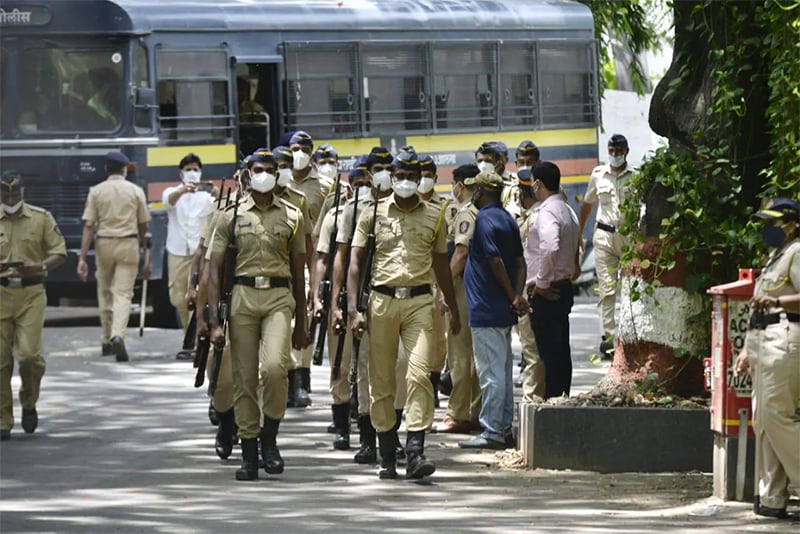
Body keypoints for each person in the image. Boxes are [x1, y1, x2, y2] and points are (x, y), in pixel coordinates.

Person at [347, 149, 461, 480]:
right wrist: (354, 310)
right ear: (391, 178)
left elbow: (441, 263)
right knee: (381, 380)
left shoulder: (435, 215)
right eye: (401, 177)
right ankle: (386, 452)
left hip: (420, 303)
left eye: (413, 177)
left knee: (418, 374)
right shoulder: (372, 213)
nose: (407, 182)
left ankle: (415, 451)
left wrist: (452, 308)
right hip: (381, 303)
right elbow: (355, 263)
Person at [207, 148, 309, 481]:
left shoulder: (293, 214)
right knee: (244, 378)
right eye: (258, 169)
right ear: (248, 174)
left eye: (269, 168)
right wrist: (212, 320)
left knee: (276, 368)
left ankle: (270, 440)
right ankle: (249, 453)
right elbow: (214, 269)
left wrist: (303, 324)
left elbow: (299, 269)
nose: (264, 173)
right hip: (242, 297)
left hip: (279, 296)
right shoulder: (229, 216)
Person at [734, 197, 799, 521]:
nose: (766, 229)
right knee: (764, 422)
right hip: (764, 342)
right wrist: (746, 350)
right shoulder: (777, 255)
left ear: (790, 224)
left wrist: (777, 299)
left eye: (772, 223)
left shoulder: (797, 252)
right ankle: (773, 496)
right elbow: (758, 307)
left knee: (778, 419)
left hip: (785, 340)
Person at [457, 171, 529, 450]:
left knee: (491, 374)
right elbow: (520, 262)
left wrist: (513, 295)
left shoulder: (484, 220)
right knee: (503, 371)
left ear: (481, 192)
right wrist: (517, 296)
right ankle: (504, 427)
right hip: (502, 308)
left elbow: (496, 260)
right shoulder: (507, 218)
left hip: (486, 308)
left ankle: (492, 431)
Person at [0, 171, 66, 441]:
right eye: (6, 194)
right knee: (0, 360)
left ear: (23, 193)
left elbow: (59, 252)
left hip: (31, 294)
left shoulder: (40, 218)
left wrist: (38, 266)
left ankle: (29, 402)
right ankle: (3, 418)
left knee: (28, 356)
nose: (11, 198)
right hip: (1, 294)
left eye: (15, 194)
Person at [77, 152, 151, 362]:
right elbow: (143, 225)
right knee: (123, 294)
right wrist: (145, 248)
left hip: (104, 244)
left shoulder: (96, 191)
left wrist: (82, 257)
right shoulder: (135, 191)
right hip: (129, 243)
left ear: (106, 170)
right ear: (125, 169)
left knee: (105, 292)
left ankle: (106, 339)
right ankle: (118, 334)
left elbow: (89, 225)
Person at [433, 164, 482, 434]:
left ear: (460, 185)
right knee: (473, 356)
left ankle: (458, 413)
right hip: (475, 289)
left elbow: (459, 254)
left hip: (461, 288)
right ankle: (475, 409)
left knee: (460, 353)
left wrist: (445, 290)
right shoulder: (479, 211)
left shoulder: (465, 213)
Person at [526, 162, 581, 399]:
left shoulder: (548, 211)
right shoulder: (567, 209)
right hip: (564, 286)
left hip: (549, 292)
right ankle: (561, 397)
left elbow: (549, 246)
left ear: (538, 183)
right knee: (560, 350)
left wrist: (542, 284)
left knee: (548, 353)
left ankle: (552, 400)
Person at [579, 134, 636, 358]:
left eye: (618, 152)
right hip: (603, 236)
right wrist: (579, 235)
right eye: (611, 151)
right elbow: (587, 204)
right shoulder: (598, 175)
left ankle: (628, 336)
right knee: (607, 289)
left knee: (630, 288)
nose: (614, 155)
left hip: (628, 237)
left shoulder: (636, 176)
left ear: (626, 152)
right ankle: (609, 338)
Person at [287, 131, 329, 407]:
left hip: (311, 260)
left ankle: (301, 378)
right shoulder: (279, 182)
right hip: (282, 260)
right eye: (294, 148)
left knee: (306, 317)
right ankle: (292, 378)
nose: (299, 153)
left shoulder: (325, 186)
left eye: (304, 148)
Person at [162, 153, 217, 359]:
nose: (192, 173)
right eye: (188, 170)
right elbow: (168, 201)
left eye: (196, 169)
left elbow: (219, 209)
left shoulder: (206, 196)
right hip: (178, 250)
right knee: (178, 297)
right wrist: (183, 190)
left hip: (200, 253)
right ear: (181, 173)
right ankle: (190, 335)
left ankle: (197, 341)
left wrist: (216, 193)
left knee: (200, 296)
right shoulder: (172, 192)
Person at [417, 154, 449, 408]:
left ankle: (434, 385)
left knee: (438, 340)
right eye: (421, 175)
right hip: (412, 283)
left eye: (429, 175)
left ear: (435, 178)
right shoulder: (405, 205)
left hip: (436, 283)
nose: (424, 180)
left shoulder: (445, 207)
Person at [515, 168, 546, 401]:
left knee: (531, 348)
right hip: (532, 286)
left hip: (531, 287)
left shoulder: (535, 217)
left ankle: (532, 396)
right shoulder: (534, 215)